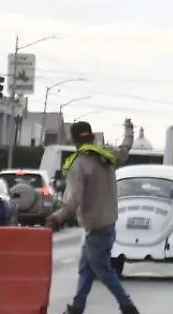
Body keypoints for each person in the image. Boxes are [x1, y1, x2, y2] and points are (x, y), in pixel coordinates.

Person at [46, 119, 139, 314]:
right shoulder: (107, 155)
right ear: (91, 135)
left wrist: (57, 217)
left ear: (73, 139)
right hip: (108, 222)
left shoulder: (79, 164)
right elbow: (125, 149)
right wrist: (128, 130)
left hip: (96, 225)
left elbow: (73, 200)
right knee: (86, 267)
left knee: (102, 269)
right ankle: (77, 306)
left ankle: (128, 306)